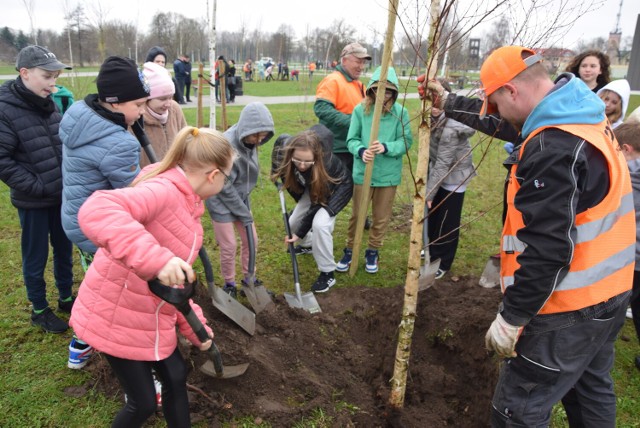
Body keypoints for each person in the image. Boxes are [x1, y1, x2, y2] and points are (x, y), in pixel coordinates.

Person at [437, 45, 633, 427]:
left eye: (494, 103)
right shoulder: (581, 113)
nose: (495, 114)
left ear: (511, 90)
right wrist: (448, 102)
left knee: (518, 410)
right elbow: (511, 126)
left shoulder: (551, 148)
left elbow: (547, 249)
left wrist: (513, 317)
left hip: (564, 308)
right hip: (609, 294)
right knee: (590, 392)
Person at [70, 126, 232, 428]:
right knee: (143, 402)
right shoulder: (164, 191)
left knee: (176, 375)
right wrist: (157, 259)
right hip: (116, 317)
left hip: (147, 313)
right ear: (213, 175)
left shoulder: (189, 203)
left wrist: (199, 332)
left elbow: (174, 288)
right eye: (227, 176)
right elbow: (98, 209)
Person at [60, 55, 150, 369]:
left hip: (75, 218)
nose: (142, 111)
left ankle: (81, 344)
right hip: (99, 228)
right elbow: (134, 195)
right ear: (114, 103)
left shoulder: (81, 116)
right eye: (138, 104)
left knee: (97, 282)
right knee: (115, 292)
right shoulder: (118, 142)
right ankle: (106, 348)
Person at [0, 45, 74, 334]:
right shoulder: (5, 109)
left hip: (60, 195)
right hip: (34, 200)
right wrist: (37, 186)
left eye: (55, 76)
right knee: (36, 254)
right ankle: (40, 309)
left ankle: (66, 297)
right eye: (47, 76)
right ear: (25, 73)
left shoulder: (49, 103)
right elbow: (2, 160)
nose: (53, 83)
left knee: (64, 247)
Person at [336, 66, 412, 274]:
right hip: (363, 174)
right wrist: (360, 151)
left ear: (394, 93)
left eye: (388, 91)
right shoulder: (360, 111)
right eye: (379, 90)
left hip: (387, 176)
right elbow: (351, 139)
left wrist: (387, 147)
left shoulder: (401, 113)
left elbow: (406, 142)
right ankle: (350, 250)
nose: (383, 95)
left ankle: (372, 251)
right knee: (357, 215)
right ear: (371, 90)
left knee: (381, 217)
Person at [205, 102, 275, 297]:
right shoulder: (227, 146)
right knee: (229, 246)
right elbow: (224, 186)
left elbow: (242, 180)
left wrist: (244, 207)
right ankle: (229, 284)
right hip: (219, 199)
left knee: (251, 239)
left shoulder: (250, 140)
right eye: (255, 135)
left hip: (240, 199)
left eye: (263, 136)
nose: (258, 140)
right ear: (245, 128)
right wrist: (243, 213)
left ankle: (249, 279)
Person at [272, 126, 353, 292]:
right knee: (292, 223)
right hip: (314, 187)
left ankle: (327, 273)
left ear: (316, 157)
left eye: (307, 161)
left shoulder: (326, 164)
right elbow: (277, 159)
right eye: (298, 160)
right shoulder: (285, 147)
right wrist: (277, 175)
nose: (302, 165)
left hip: (337, 188)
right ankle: (309, 244)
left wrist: (299, 233)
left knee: (320, 224)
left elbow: (318, 204)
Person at [424, 78, 476, 280]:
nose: (433, 107)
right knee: (435, 216)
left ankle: (443, 261)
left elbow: (443, 164)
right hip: (438, 172)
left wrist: (429, 191)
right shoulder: (429, 119)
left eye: (437, 102)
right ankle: (431, 249)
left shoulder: (452, 127)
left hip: (455, 176)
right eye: (429, 101)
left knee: (448, 221)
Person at [314, 42, 371, 174]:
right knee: (333, 191)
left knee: (348, 190)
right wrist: (353, 123)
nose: (361, 67)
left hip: (354, 148)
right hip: (336, 149)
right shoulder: (333, 80)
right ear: (344, 60)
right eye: (358, 61)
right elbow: (322, 108)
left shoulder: (359, 85)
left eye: (363, 63)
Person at [614, 122, 640, 371]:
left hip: (631, 257)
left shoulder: (628, 178)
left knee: (617, 304)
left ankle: (603, 341)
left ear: (626, 149)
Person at [138, 61, 188, 167]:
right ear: (148, 98)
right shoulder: (137, 118)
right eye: (162, 99)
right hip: (149, 178)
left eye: (171, 97)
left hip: (176, 176)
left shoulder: (175, 109)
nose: (168, 104)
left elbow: (186, 140)